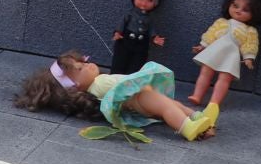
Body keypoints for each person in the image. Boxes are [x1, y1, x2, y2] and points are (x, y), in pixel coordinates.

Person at [15, 51, 215, 141]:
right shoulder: (99, 84)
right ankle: (187, 126)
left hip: (139, 97)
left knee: (172, 104)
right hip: (140, 97)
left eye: (83, 62)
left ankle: (197, 117)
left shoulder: (97, 85)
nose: (88, 64)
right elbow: (122, 86)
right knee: (167, 107)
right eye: (81, 67)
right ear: (75, 86)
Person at [189, 0, 261, 110]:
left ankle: (214, 103)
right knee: (205, 72)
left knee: (225, 78)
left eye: (245, 10)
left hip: (232, 54)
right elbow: (211, 34)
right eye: (235, 6)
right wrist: (203, 45)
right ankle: (197, 95)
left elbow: (250, 44)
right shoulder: (221, 22)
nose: (238, 11)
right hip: (215, 49)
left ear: (254, 14)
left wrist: (248, 57)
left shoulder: (250, 30)